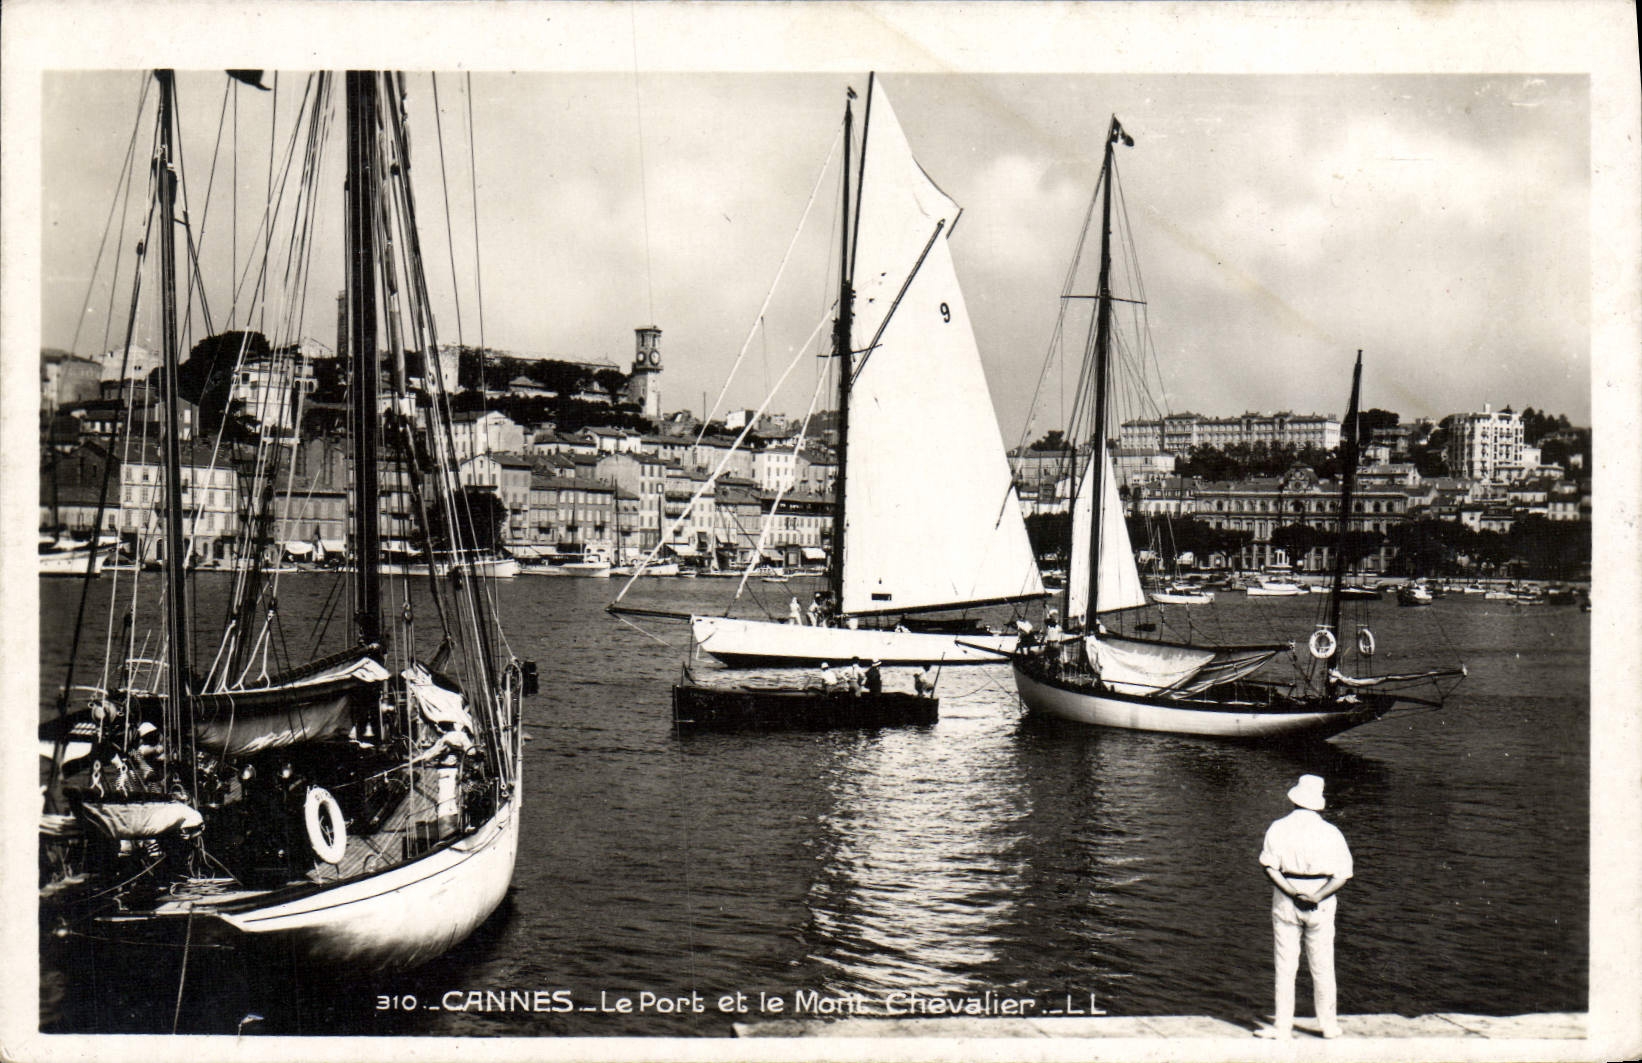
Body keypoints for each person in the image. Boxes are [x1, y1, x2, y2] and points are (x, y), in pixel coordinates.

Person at [1256, 774, 1353, 1040]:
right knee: (1323, 966)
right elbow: (1343, 875)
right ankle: (1328, 1025)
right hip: (1321, 901)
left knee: (1286, 966)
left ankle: (1282, 1028)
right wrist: (1317, 896)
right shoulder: (1332, 832)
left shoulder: (1278, 827)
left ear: (1295, 799)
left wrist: (1292, 892)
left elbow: (1269, 867)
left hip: (1287, 898)